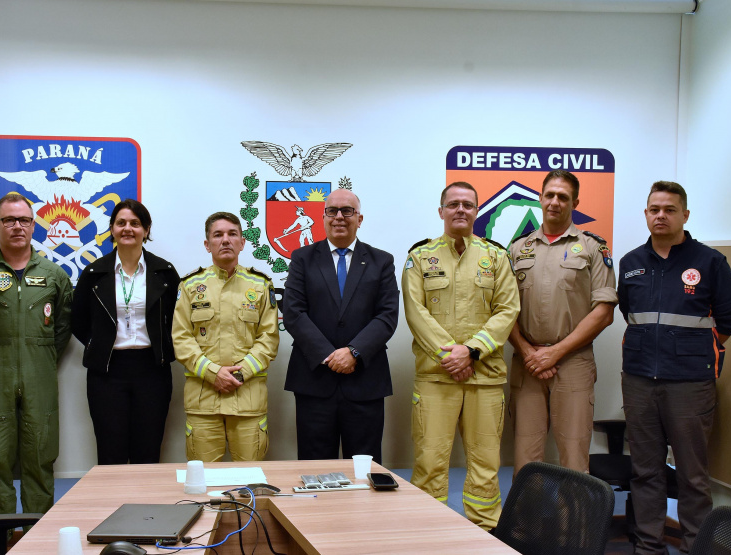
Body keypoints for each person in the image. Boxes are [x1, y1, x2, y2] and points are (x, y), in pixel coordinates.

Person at [618, 181, 731, 555]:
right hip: (639, 380)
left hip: (690, 383)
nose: (661, 215)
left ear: (684, 215)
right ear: (645, 214)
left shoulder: (709, 261)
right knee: (646, 471)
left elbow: (729, 317)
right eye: (654, 209)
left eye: (669, 209)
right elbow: (629, 312)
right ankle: (648, 546)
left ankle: (694, 548)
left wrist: (692, 350)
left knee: (691, 475)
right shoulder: (631, 263)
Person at [402, 181, 519, 530]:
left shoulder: (496, 256)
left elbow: (507, 309)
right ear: (441, 211)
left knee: (485, 463)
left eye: (468, 204)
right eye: (453, 204)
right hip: (437, 376)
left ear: (477, 211)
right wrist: (450, 356)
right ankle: (429, 532)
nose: (460, 210)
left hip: (484, 377)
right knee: (429, 462)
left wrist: (471, 351)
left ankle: (485, 532)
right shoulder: (420, 257)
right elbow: (414, 312)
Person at [507, 170, 617, 475]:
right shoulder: (517, 248)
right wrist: (529, 352)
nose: (555, 202)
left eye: (563, 197)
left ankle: (576, 525)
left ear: (575, 202)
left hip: (573, 362)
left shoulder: (594, 247)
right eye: (550, 195)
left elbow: (604, 311)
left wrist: (555, 353)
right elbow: (504, 310)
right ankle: (526, 524)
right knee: (526, 459)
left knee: (574, 457)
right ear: (540, 198)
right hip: (527, 364)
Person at [282, 189, 399, 463]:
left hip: (365, 382)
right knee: (315, 470)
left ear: (360, 218)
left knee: (365, 471)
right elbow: (294, 313)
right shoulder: (302, 258)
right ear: (322, 217)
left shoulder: (381, 261)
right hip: (315, 382)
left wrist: (354, 351)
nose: (339, 217)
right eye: (332, 211)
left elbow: (387, 315)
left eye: (347, 211)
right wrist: (329, 355)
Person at [0, 193, 73, 516]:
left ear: (34, 225)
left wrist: (38, 357)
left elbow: (62, 327)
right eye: (9, 220)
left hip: (39, 378)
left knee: (40, 463)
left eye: (24, 220)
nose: (17, 226)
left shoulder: (55, 275)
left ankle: (37, 544)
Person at [72, 199, 180, 464]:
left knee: (148, 450)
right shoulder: (94, 273)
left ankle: (144, 505)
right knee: (111, 453)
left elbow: (177, 321)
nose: (128, 228)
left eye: (135, 223)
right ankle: (114, 505)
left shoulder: (164, 272)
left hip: (152, 371)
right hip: (107, 372)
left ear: (146, 229)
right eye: (121, 223)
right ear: (112, 228)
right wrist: (99, 343)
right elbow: (77, 320)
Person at [171, 212, 280, 462]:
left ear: (242, 242)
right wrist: (213, 373)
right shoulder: (189, 286)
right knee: (205, 483)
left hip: (247, 401)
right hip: (203, 402)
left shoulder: (261, 285)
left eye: (232, 234)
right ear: (207, 244)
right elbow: (181, 339)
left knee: (248, 482)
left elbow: (269, 339)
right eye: (217, 235)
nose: (225, 240)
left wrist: (238, 375)